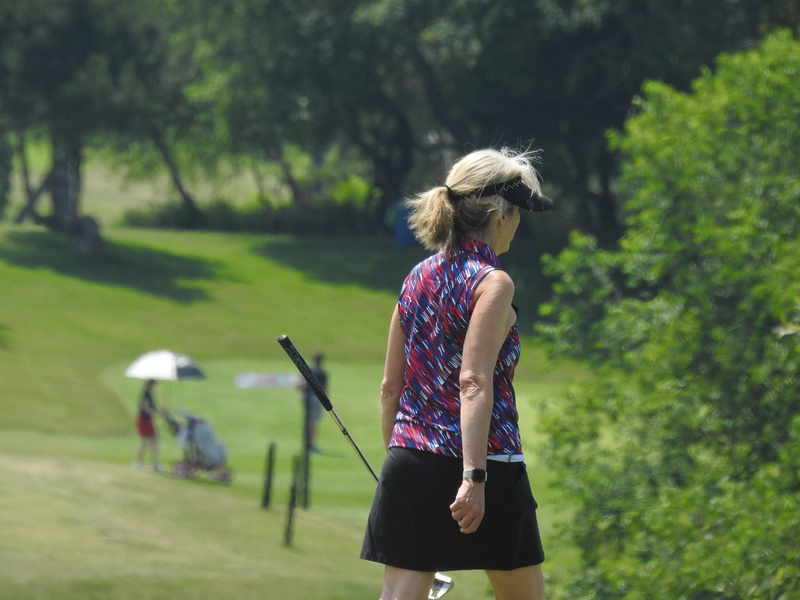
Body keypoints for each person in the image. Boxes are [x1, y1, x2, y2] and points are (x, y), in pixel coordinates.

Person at [360, 147, 552, 600]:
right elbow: (474, 381)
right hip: (488, 464)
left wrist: (398, 460)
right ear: (501, 217)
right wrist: (474, 477)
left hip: (411, 457)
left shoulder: (416, 276)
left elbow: (390, 388)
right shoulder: (493, 282)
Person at [300, 353, 328, 453]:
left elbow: (301, 383)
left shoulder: (309, 369)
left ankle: (307, 443)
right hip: (316, 397)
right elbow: (325, 388)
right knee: (313, 421)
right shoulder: (322, 372)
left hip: (307, 396)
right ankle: (310, 444)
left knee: (308, 420)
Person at [135, 379, 164, 471]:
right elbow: (147, 409)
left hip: (145, 420)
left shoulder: (148, 394)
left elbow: (152, 407)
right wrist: (158, 413)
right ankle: (151, 463)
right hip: (144, 420)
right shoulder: (146, 394)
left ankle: (142, 462)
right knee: (149, 441)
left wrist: (161, 411)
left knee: (148, 441)